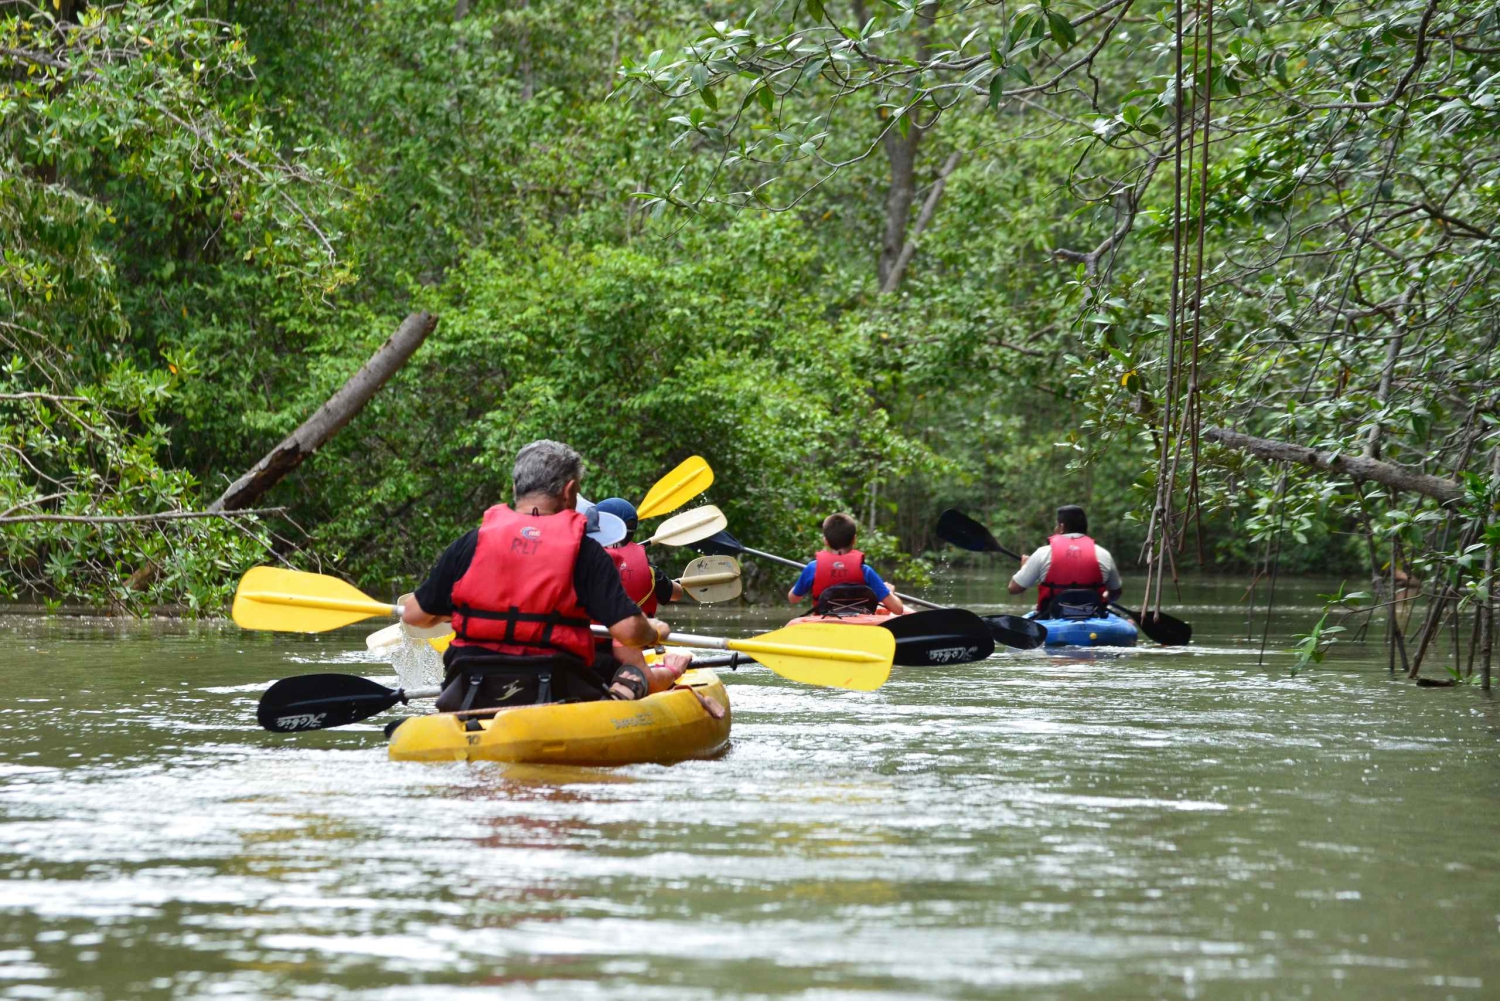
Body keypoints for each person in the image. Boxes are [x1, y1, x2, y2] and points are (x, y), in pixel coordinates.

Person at [401, 440, 679, 712]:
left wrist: (457, 613)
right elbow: (629, 632)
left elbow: (414, 616)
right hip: (559, 690)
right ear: (569, 491)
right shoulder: (587, 552)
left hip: (470, 686)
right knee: (631, 672)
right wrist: (653, 630)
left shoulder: (471, 543)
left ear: (515, 488)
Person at [1007, 505, 1123, 615]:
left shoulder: (1043, 553)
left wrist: (1024, 567)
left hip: (1052, 617)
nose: (1055, 528)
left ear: (1061, 527)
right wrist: (1107, 596)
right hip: (1094, 616)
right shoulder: (1103, 554)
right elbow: (1116, 593)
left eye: (1056, 525)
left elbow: (1014, 588)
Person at [786, 512, 905, 615]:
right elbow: (898, 610)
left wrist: (803, 582)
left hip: (825, 624)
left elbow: (793, 599)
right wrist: (889, 592)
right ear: (854, 539)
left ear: (825, 541)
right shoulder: (865, 571)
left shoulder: (813, 568)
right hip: (859, 626)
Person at [593, 497, 684, 614]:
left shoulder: (582, 560)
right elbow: (677, 594)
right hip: (635, 630)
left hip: (592, 630)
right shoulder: (650, 571)